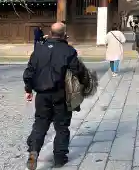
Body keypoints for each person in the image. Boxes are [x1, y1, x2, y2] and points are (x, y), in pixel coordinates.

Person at [23, 22, 88, 169]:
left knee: (40, 124)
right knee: (62, 126)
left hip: (42, 95)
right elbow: (78, 71)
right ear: (65, 34)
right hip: (61, 94)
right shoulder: (68, 51)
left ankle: (33, 152)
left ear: (50, 33)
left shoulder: (38, 50)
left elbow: (29, 72)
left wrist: (28, 89)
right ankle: (59, 158)